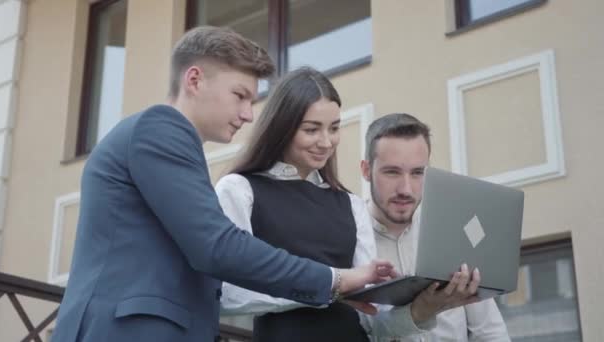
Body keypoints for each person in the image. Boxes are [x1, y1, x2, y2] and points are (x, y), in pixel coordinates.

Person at [50, 27, 395, 342]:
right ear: (195, 80)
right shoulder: (160, 129)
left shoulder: (176, 146)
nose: (248, 114)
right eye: (240, 95)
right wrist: (335, 280)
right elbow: (218, 246)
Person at [215, 67, 480, 342]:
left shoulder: (351, 204)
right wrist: (335, 284)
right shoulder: (240, 190)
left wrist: (425, 308)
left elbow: (375, 323)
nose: (326, 142)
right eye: (311, 129)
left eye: (334, 128)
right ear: (282, 127)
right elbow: (228, 293)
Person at [360, 113, 511, 341]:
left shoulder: (451, 229)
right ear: (366, 170)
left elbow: (489, 330)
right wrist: (419, 312)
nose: (406, 189)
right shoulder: (347, 240)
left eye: (418, 173)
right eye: (392, 172)